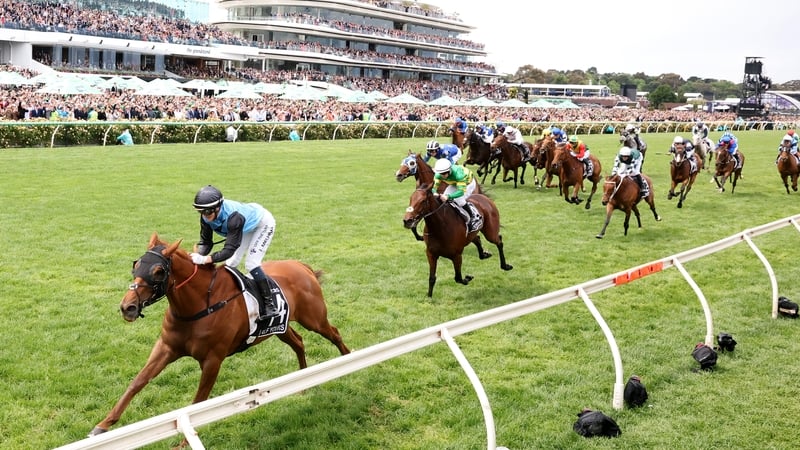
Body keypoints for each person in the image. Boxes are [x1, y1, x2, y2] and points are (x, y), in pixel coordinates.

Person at [190, 185, 278, 322]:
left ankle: (270, 305)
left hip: (262, 223)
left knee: (252, 263)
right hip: (245, 226)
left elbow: (229, 250)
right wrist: (195, 257)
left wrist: (206, 259)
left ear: (217, 207)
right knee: (231, 264)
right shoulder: (205, 217)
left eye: (207, 212)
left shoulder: (234, 218)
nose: (204, 216)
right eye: (200, 212)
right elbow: (206, 242)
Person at [431, 159, 480, 230]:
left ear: (449, 170)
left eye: (445, 173)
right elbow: (434, 187)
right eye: (441, 174)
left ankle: (473, 216)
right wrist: (434, 192)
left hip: (468, 183)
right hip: (454, 183)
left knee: (459, 200)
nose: (443, 176)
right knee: (443, 201)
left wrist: (448, 196)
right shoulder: (438, 174)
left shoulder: (458, 174)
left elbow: (461, 192)